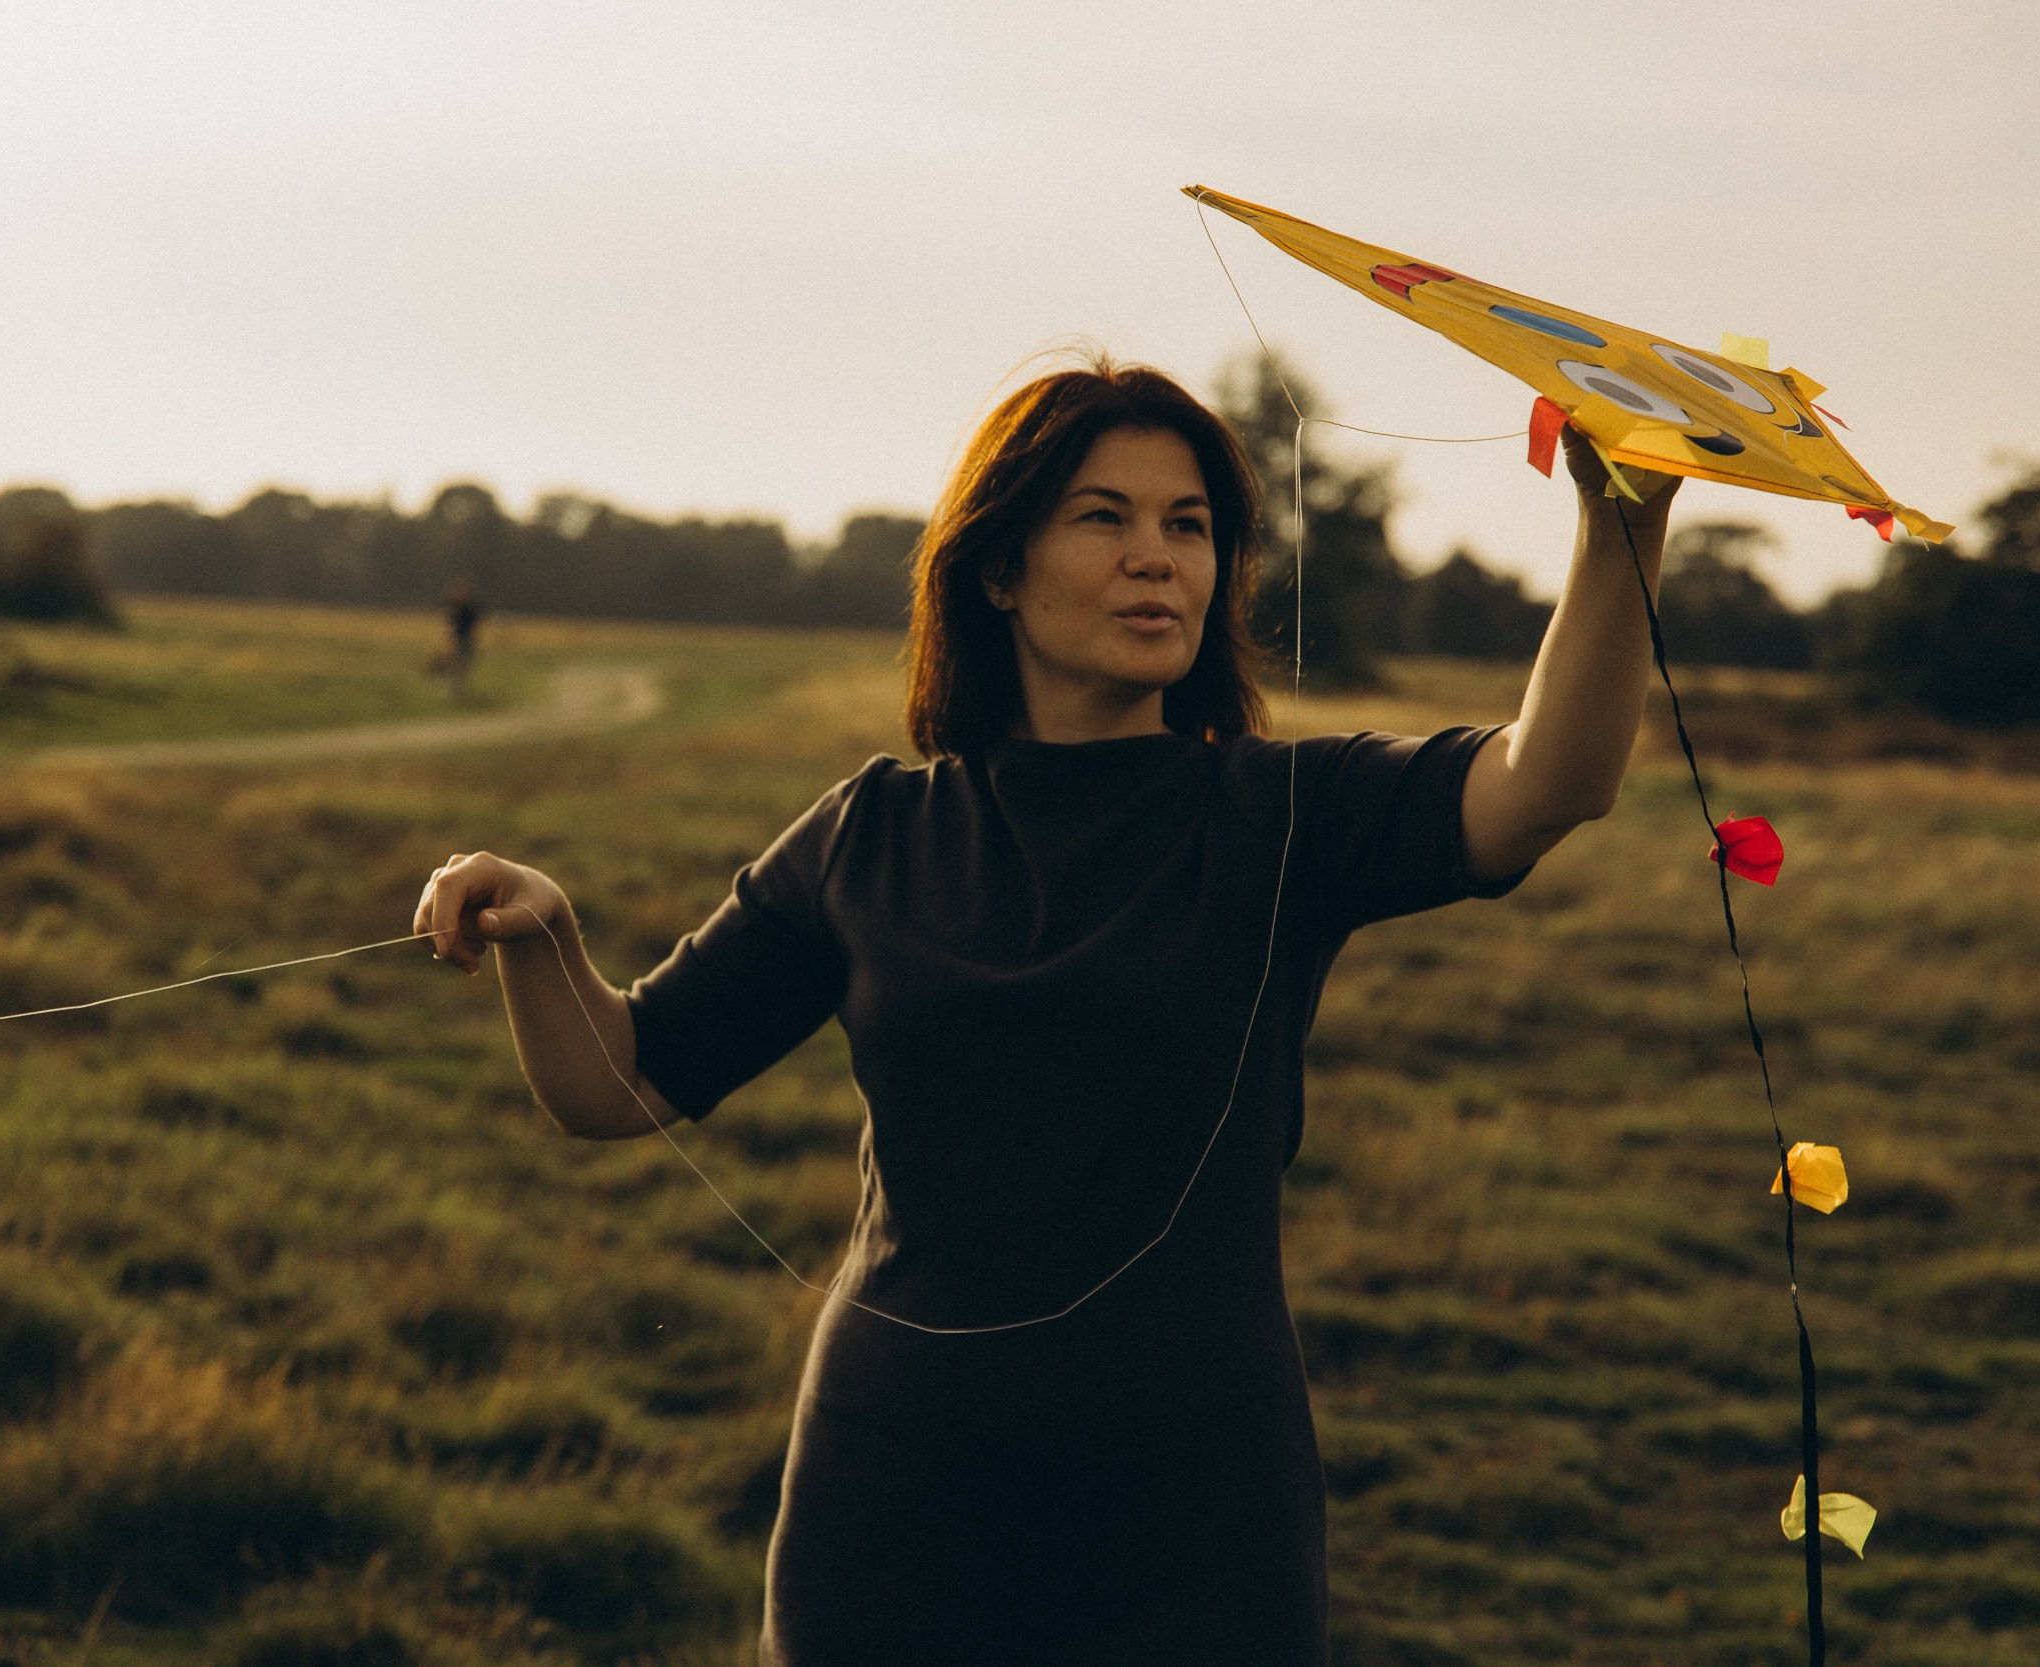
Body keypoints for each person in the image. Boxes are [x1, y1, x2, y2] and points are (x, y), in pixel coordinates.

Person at [414, 357, 1677, 1664]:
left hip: (1196, 1506)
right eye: (1104, 517)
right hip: (895, 1488)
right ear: (1000, 569)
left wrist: (1622, 522)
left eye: (1189, 526)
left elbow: (1549, 779)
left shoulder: (1286, 811)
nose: (1157, 557)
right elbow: (622, 1081)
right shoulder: (874, 833)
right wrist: (545, 935)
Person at [441, 579, 483, 696]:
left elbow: (475, 619)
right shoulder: (457, 607)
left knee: (463, 663)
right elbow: (451, 620)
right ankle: (452, 687)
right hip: (457, 638)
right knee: (456, 662)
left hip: (466, 637)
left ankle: (456, 688)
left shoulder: (468, 608)